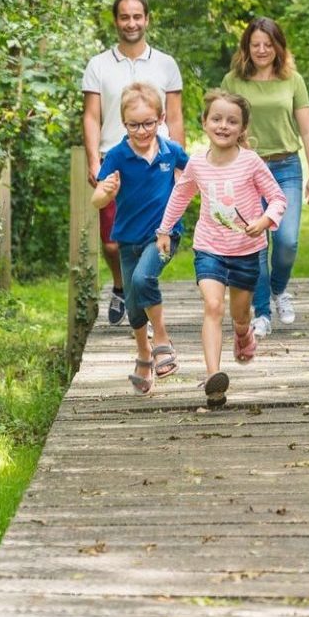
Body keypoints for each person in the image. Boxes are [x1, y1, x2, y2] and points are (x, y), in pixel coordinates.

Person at [156, 90, 286, 409]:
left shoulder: (251, 162)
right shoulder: (198, 163)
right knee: (213, 306)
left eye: (232, 121)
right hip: (209, 249)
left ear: (242, 129)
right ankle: (214, 378)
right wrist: (163, 229)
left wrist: (265, 219)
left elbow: (278, 198)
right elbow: (180, 196)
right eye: (216, 119)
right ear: (204, 123)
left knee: (240, 316)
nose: (223, 126)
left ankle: (243, 335)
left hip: (245, 250)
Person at [82, 0, 185, 326]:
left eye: (137, 16)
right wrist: (93, 161)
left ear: (147, 19)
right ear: (116, 21)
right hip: (116, 159)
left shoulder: (166, 64)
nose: (131, 23)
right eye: (125, 17)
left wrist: (179, 166)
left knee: (156, 235)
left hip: (158, 161)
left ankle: (142, 290)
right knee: (113, 244)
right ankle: (121, 286)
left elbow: (176, 116)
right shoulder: (98, 65)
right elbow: (91, 116)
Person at [219, 17, 309, 337]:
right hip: (248, 170)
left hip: (286, 167)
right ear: (247, 48)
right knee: (256, 243)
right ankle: (261, 312)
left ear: (279, 47)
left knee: (287, 241)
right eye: (255, 44)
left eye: (268, 44)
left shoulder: (293, 80)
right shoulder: (233, 81)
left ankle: (278, 290)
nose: (262, 50)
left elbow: (307, 129)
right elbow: (221, 125)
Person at [91, 83, 188, 394]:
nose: (142, 130)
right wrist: (105, 192)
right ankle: (144, 356)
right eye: (134, 124)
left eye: (148, 123)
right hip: (128, 239)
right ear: (124, 123)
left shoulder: (171, 151)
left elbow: (197, 174)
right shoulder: (118, 155)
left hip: (164, 235)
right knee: (133, 306)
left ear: (161, 118)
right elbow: (97, 199)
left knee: (144, 280)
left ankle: (161, 339)